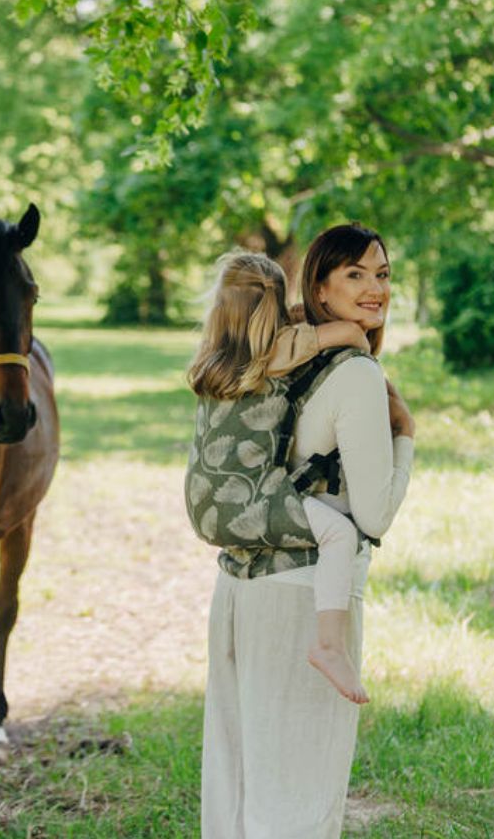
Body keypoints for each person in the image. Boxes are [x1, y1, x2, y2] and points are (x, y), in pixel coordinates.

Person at [195, 225, 415, 839]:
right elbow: (373, 516)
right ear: (318, 285)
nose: (375, 289)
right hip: (304, 593)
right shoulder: (356, 374)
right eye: (356, 275)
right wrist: (406, 438)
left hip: (241, 587)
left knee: (236, 789)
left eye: (384, 274)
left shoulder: (275, 355)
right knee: (297, 798)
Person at [186, 251, 374, 705]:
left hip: (202, 502)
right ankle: (329, 645)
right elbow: (350, 332)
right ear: (276, 304)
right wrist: (361, 355)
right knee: (339, 535)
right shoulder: (280, 351)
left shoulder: (211, 358)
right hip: (249, 497)